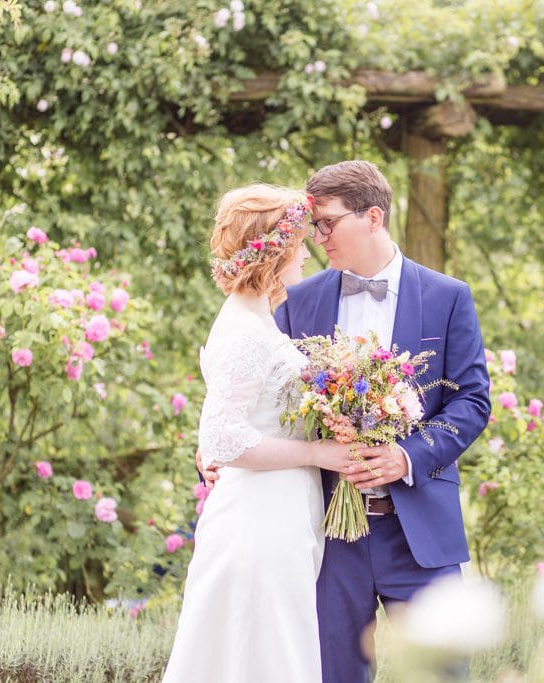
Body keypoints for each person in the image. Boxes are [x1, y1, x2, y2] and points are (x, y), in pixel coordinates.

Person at [205, 161, 492, 682]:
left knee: (444, 674)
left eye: (328, 223)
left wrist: (405, 456)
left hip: (420, 533)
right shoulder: (295, 299)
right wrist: (214, 454)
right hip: (324, 534)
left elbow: (471, 402)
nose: (317, 238)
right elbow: (253, 391)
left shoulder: (449, 297)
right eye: (313, 226)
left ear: (373, 217)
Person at [163, 184, 356, 682]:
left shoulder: (257, 320)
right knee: (262, 656)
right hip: (257, 524)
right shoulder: (245, 332)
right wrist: (319, 451)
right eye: (299, 245)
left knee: (270, 654)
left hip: (280, 514)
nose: (307, 257)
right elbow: (223, 439)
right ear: (273, 251)